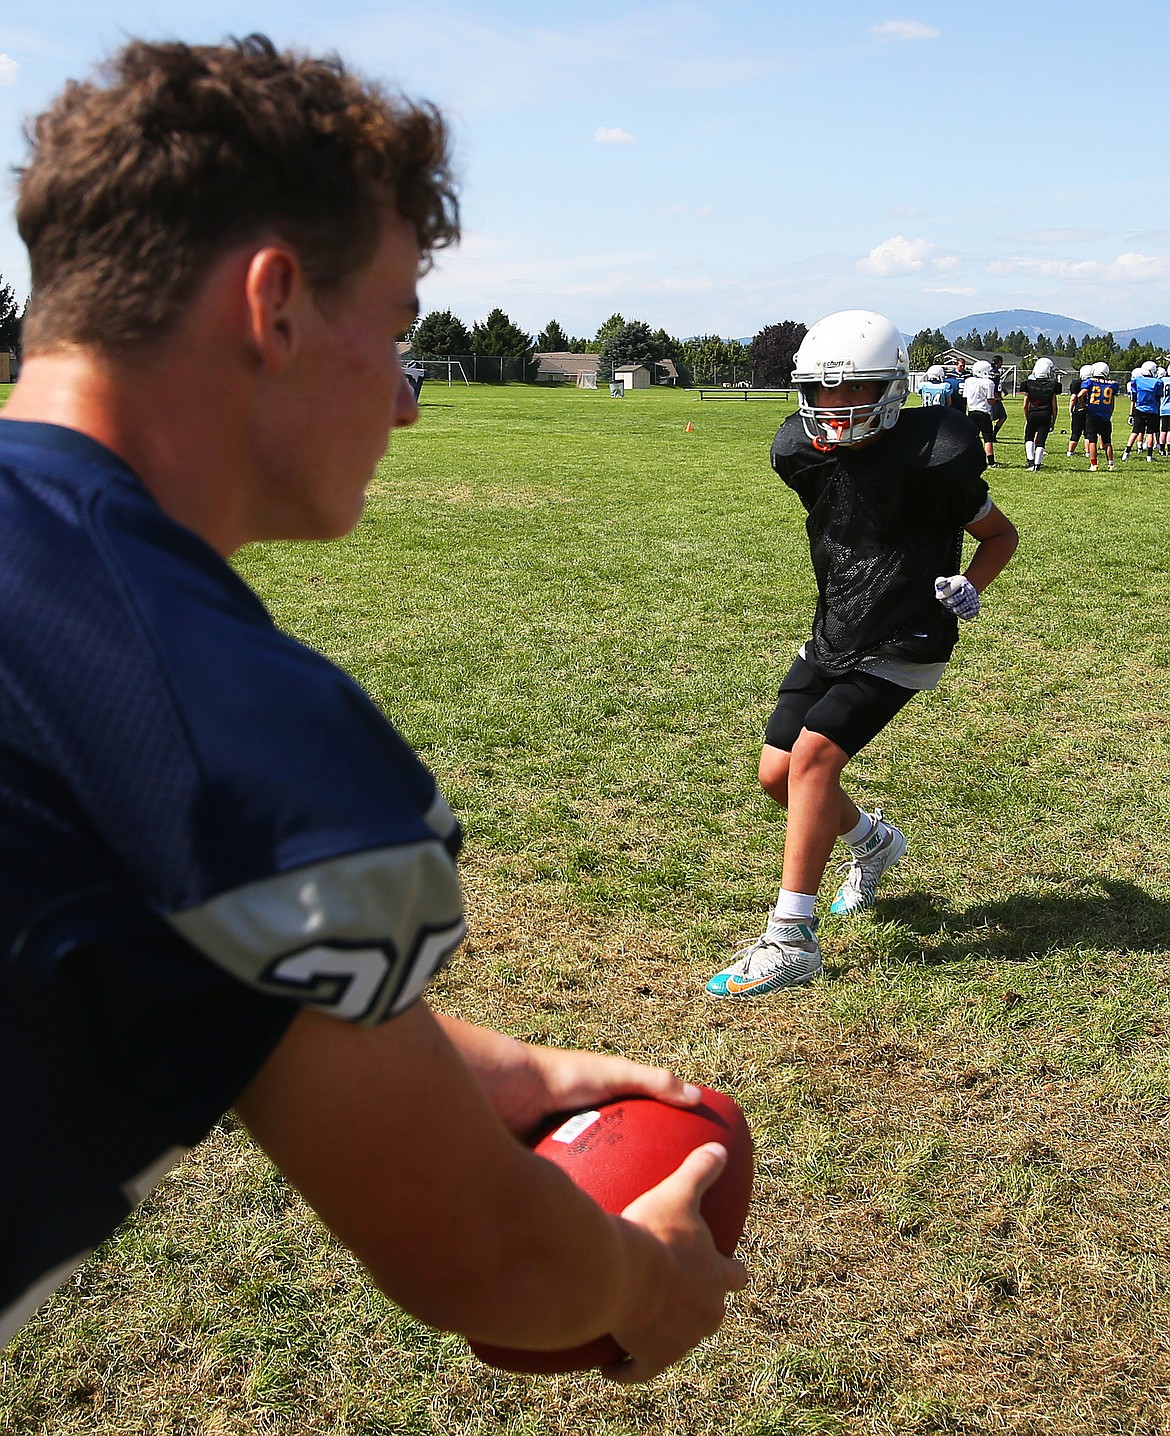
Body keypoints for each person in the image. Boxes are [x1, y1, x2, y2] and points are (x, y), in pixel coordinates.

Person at [0, 37, 746, 1374]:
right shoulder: (221, 720)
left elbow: (132, 930)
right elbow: (484, 1254)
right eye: (396, 327)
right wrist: (642, 1283)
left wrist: (480, 1067)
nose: (405, 401)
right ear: (275, 303)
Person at [705, 311, 1018, 999]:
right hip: (836, 630)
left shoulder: (932, 460)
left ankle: (791, 938)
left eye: (853, 390)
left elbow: (1000, 535)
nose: (834, 408)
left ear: (890, 389)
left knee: (815, 759)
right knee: (777, 775)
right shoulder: (805, 456)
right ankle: (874, 842)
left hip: (906, 637)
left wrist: (970, 582)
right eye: (823, 392)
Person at [1020, 357, 1061, 471]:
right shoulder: (1052, 386)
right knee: (1041, 439)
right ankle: (1037, 464)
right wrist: (1053, 420)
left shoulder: (1028, 384)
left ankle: (1030, 461)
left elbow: (1025, 404)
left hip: (1033, 413)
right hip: (1046, 414)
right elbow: (1054, 406)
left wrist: (1027, 416)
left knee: (1029, 437)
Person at [1122, 360, 1163, 461]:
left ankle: (1126, 453)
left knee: (1135, 431)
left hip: (1139, 409)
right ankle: (1149, 456)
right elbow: (1158, 399)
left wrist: (1131, 414)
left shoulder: (1137, 381)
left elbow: (1134, 398)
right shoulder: (1157, 382)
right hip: (1152, 410)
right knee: (1150, 433)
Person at [1083, 361, 1119, 471]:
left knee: (1092, 440)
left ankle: (1094, 464)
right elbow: (1112, 402)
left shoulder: (1090, 382)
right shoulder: (1112, 384)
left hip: (1092, 414)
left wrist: (1084, 406)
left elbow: (1081, 394)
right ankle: (1111, 464)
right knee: (1107, 441)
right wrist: (1109, 413)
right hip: (1105, 416)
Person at [962, 359, 999, 467]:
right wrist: (996, 400)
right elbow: (990, 400)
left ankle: (968, 459)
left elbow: (965, 396)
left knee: (972, 437)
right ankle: (991, 462)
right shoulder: (988, 383)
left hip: (972, 410)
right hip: (983, 412)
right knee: (988, 438)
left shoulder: (968, 381)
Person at [1067, 364, 1092, 458]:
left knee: (1075, 432)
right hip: (1090, 410)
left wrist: (1071, 410)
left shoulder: (1076, 384)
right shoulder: (1094, 383)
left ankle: (1070, 452)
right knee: (1088, 433)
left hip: (1079, 410)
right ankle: (1088, 452)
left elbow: (1073, 398)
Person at [988, 356, 1009, 439]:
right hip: (993, 398)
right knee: (1001, 417)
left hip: (993, 396)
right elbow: (992, 385)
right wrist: (997, 396)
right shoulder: (994, 373)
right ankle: (992, 435)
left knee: (1001, 417)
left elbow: (997, 384)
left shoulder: (993, 371)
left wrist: (1004, 390)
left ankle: (992, 434)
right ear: (999, 362)